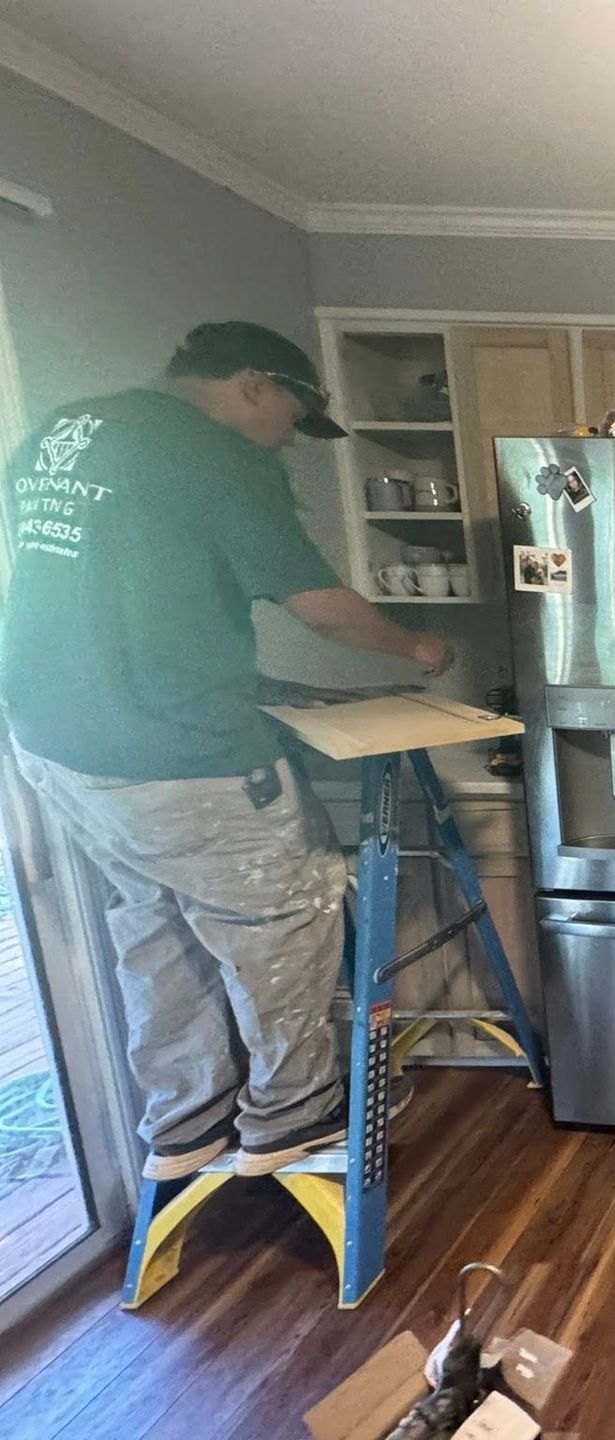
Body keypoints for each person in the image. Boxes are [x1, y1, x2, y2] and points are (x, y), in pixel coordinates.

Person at [0, 321, 456, 1180]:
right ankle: (293, 1115)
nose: (286, 438)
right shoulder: (211, 453)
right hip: (182, 756)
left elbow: (119, 605)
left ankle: (187, 1119)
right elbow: (318, 604)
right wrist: (418, 649)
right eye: (291, 414)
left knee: (155, 922)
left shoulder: (67, 433)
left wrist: (258, 687)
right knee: (284, 916)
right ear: (253, 383)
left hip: (58, 747)